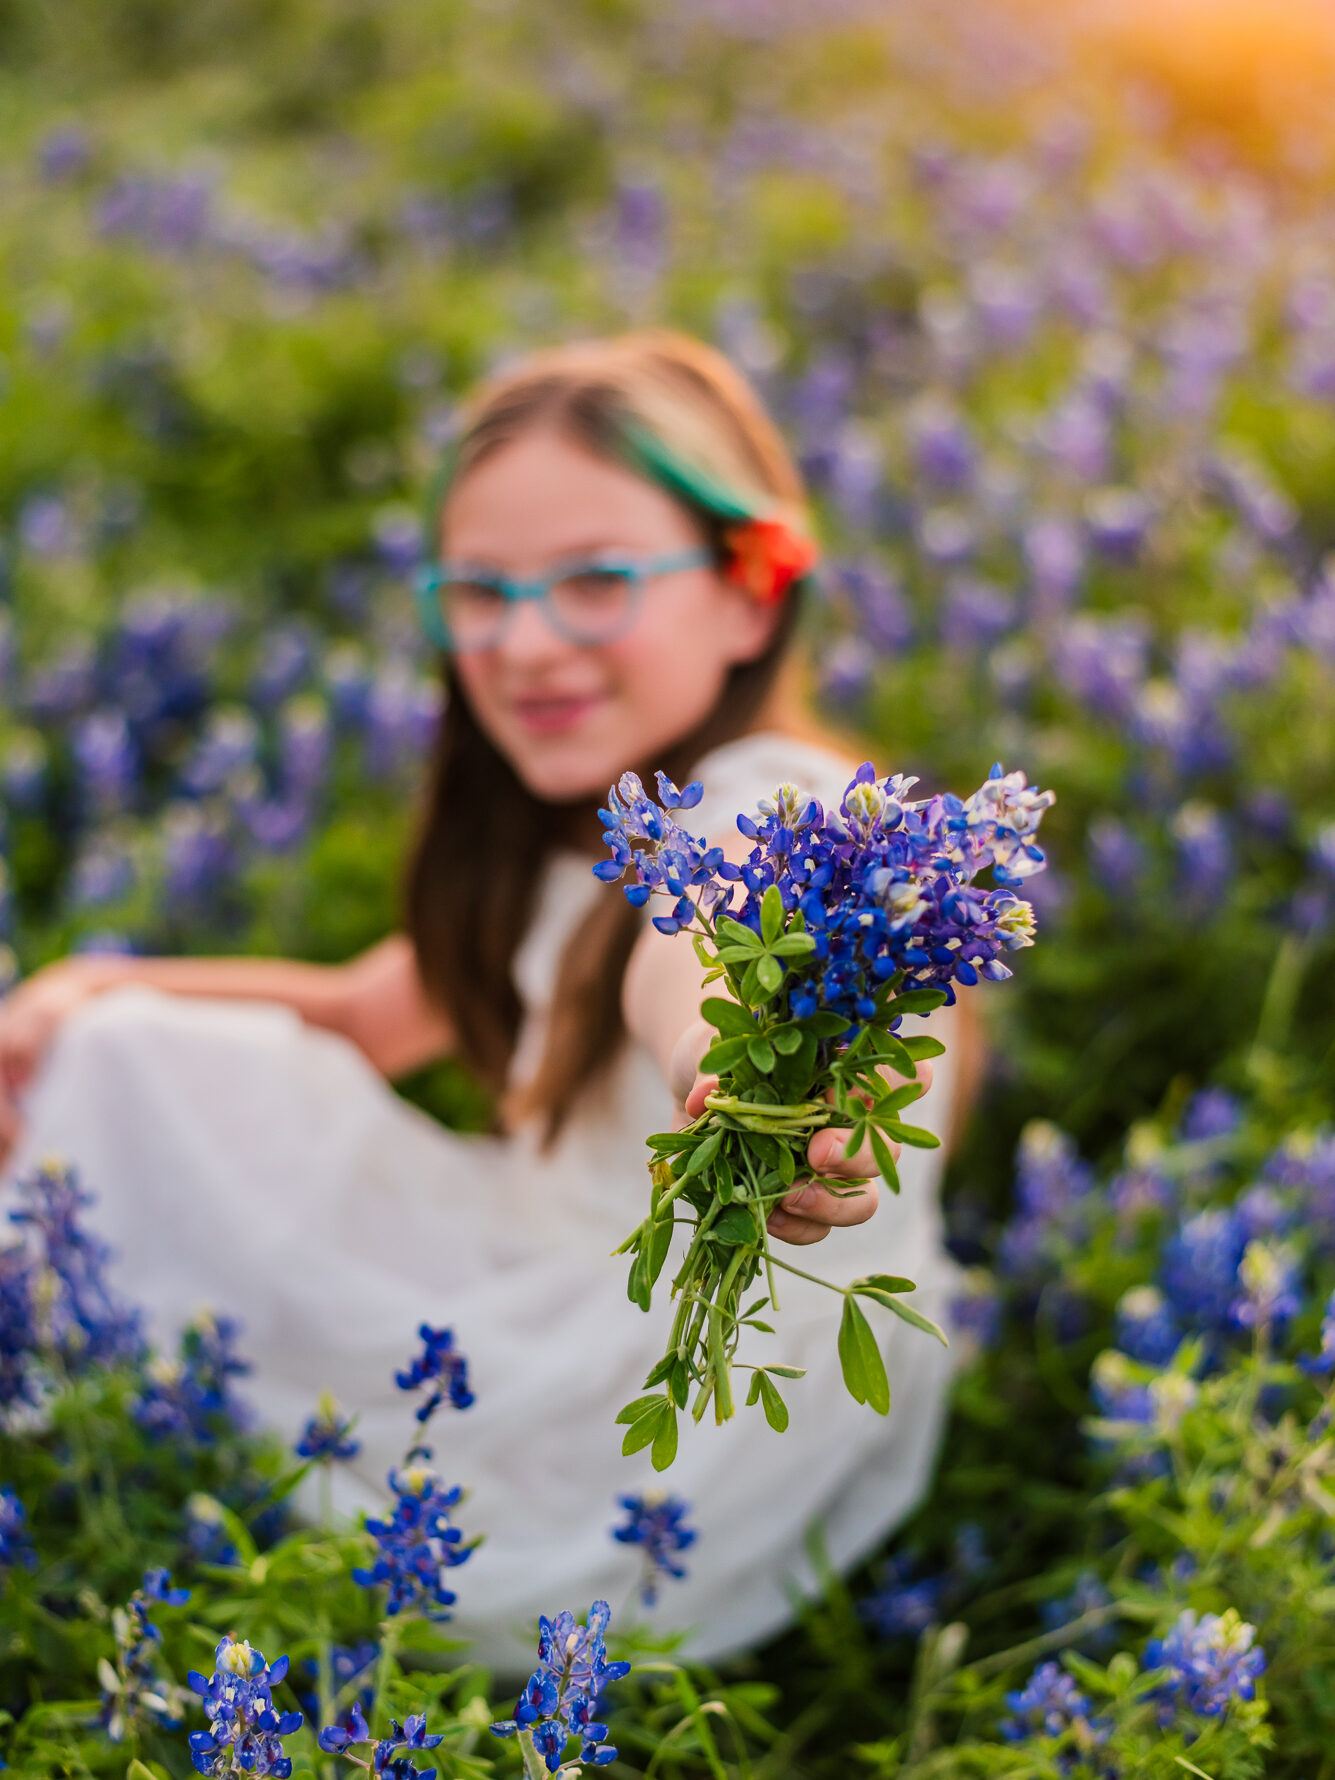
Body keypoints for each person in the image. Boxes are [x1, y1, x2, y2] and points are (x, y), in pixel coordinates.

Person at [0, 331, 976, 1670]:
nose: (523, 642)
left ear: (750, 598)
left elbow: (699, 933)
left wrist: (729, 1054)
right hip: (553, 1298)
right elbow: (356, 1015)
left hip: (652, 1424)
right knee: (112, 1050)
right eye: (478, 591)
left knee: (130, 1125)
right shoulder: (576, 833)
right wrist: (87, 988)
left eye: (596, 581)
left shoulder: (791, 815)